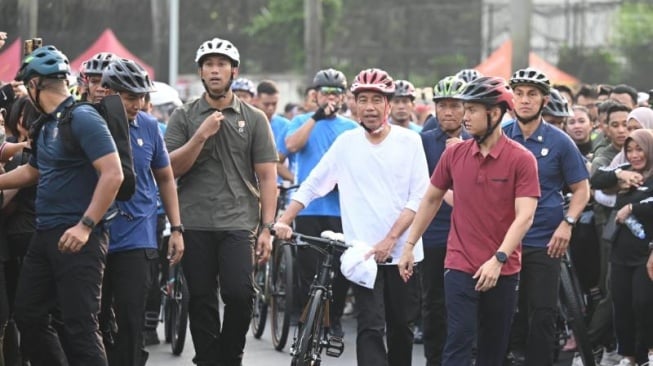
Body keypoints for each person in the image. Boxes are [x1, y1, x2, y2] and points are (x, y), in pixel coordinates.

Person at [275, 68, 429, 366]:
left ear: (387, 104)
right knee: (370, 327)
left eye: (377, 99)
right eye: (363, 99)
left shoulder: (409, 142)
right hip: (363, 256)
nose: (370, 106)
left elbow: (418, 198)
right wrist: (285, 218)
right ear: (353, 104)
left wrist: (391, 240)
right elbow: (312, 184)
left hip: (404, 254)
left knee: (401, 329)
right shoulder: (346, 143)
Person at [398, 75, 540, 366]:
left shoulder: (522, 159)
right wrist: (410, 243)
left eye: (473, 109)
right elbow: (431, 198)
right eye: (466, 109)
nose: (465, 116)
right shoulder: (455, 155)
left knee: (492, 347)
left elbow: (525, 217)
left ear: (496, 113)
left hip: (503, 267)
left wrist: (499, 259)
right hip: (459, 264)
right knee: (458, 340)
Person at [164, 37, 278, 366]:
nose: (215, 71)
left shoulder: (255, 118)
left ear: (233, 71)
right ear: (200, 73)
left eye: (221, 65)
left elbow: (267, 177)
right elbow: (170, 169)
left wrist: (267, 228)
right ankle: (209, 359)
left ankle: (230, 356)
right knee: (200, 299)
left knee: (240, 295)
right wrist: (200, 135)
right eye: (209, 66)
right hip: (194, 221)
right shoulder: (183, 117)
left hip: (239, 222)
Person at [7, 45, 123, 366]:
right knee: (28, 315)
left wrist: (86, 225)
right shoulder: (47, 123)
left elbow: (113, 174)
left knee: (80, 326)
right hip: (45, 234)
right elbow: (33, 171)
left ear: (34, 85)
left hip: (79, 236)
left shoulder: (82, 117)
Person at [97, 58, 184, 366]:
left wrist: (176, 228)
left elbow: (165, 177)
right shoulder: (88, 124)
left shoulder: (148, 125)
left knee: (132, 322)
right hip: (96, 238)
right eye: (130, 97)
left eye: (142, 97)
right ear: (107, 93)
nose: (139, 104)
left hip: (138, 239)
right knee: (95, 320)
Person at [504, 68, 590, 366]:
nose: (524, 100)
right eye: (519, 93)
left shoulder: (560, 141)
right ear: (511, 98)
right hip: (503, 242)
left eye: (532, 94)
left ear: (543, 100)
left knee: (542, 313)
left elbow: (581, 190)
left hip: (544, 240)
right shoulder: (500, 137)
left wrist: (567, 224)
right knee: (504, 312)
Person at [283, 68, 358, 338]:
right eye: (325, 92)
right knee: (308, 270)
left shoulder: (351, 127)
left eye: (336, 93)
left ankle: (333, 319)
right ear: (315, 95)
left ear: (344, 96)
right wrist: (316, 117)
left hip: (340, 209)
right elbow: (291, 146)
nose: (331, 98)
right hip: (308, 209)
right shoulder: (302, 121)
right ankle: (307, 316)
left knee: (339, 270)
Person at [418, 74, 469, 366]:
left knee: (465, 302)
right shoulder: (423, 142)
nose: (448, 112)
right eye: (442, 106)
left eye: (455, 105)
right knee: (434, 301)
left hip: (471, 235)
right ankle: (434, 359)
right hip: (435, 233)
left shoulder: (477, 139)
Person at [590, 129, 653, 366]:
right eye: (630, 149)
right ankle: (628, 356)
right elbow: (596, 179)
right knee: (621, 304)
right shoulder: (626, 171)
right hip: (620, 252)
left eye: (640, 149)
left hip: (645, 254)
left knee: (644, 303)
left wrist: (633, 209)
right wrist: (621, 173)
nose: (635, 155)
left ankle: (647, 352)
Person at [256, 80, 293, 183]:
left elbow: (278, 160)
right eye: (266, 104)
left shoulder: (286, 125)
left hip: (277, 184)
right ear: (256, 100)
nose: (271, 108)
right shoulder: (248, 122)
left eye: (274, 104)